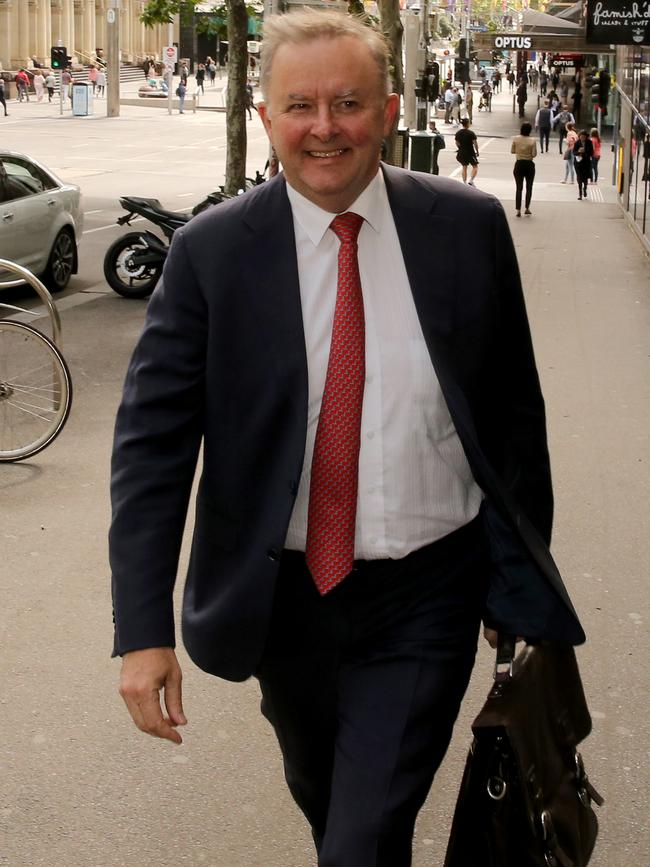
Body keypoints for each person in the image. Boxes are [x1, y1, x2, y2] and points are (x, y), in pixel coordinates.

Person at [110, 10, 585, 866]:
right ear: (265, 118)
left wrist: (519, 584)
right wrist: (141, 630)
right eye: (300, 105)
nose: (324, 128)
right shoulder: (212, 254)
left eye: (348, 103)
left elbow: (515, 418)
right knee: (334, 806)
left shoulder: (466, 227)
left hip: (428, 591)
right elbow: (153, 447)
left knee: (359, 840)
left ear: (391, 108)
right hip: (282, 601)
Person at [511, 121, 537, 217]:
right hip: (529, 165)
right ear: (530, 130)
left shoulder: (516, 139)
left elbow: (512, 151)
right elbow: (534, 154)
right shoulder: (532, 140)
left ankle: (518, 209)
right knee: (529, 187)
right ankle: (527, 208)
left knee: (519, 188)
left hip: (519, 164)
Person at [454, 116, 479, 185]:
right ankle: (471, 180)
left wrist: (460, 148)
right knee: (475, 166)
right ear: (468, 124)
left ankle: (464, 182)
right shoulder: (471, 133)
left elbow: (457, 142)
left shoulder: (458, 133)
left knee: (464, 166)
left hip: (461, 152)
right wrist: (477, 151)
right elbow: (475, 143)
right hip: (470, 152)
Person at [573, 129, 594, 200]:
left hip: (586, 163)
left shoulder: (589, 142)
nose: (582, 138)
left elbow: (591, 153)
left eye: (583, 137)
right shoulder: (577, 143)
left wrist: (585, 153)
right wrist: (579, 152)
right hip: (578, 163)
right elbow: (574, 152)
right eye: (581, 137)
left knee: (585, 178)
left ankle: (585, 188)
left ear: (586, 137)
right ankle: (580, 194)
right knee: (579, 178)